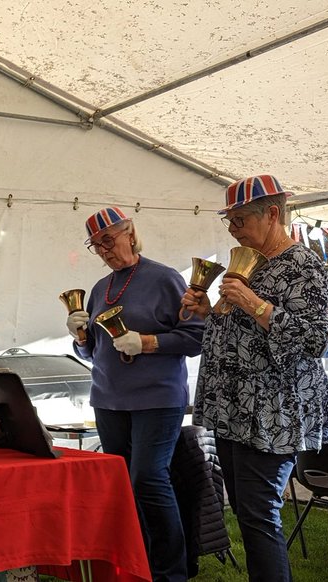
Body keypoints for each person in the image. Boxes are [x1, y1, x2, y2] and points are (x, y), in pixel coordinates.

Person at [181, 175, 328, 582]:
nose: (233, 229)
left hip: (271, 413)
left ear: (272, 214)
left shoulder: (303, 266)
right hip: (235, 409)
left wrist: (254, 303)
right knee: (247, 512)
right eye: (229, 221)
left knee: (258, 513)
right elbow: (238, 332)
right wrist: (208, 312)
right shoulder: (250, 261)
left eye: (241, 220)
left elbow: (317, 339)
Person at [66, 206, 203, 582]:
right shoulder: (100, 288)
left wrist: (147, 342)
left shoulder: (165, 278)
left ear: (130, 233)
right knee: (123, 487)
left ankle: (171, 572)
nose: (104, 250)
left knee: (148, 478)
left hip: (157, 399)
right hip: (108, 399)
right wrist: (79, 336)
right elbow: (93, 352)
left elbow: (196, 337)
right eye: (96, 245)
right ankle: (136, 566)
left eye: (108, 240)